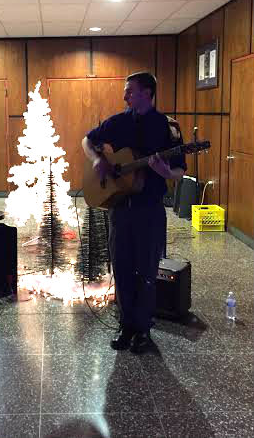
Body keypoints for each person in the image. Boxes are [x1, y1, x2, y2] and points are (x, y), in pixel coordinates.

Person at [82, 72, 186, 354]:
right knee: (123, 268)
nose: (125, 96)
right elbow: (87, 141)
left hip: (149, 210)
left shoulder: (168, 127)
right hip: (120, 209)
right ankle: (126, 325)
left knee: (148, 271)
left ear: (147, 93)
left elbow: (179, 169)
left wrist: (166, 172)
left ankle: (143, 329)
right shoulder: (118, 122)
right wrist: (97, 162)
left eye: (130, 91)